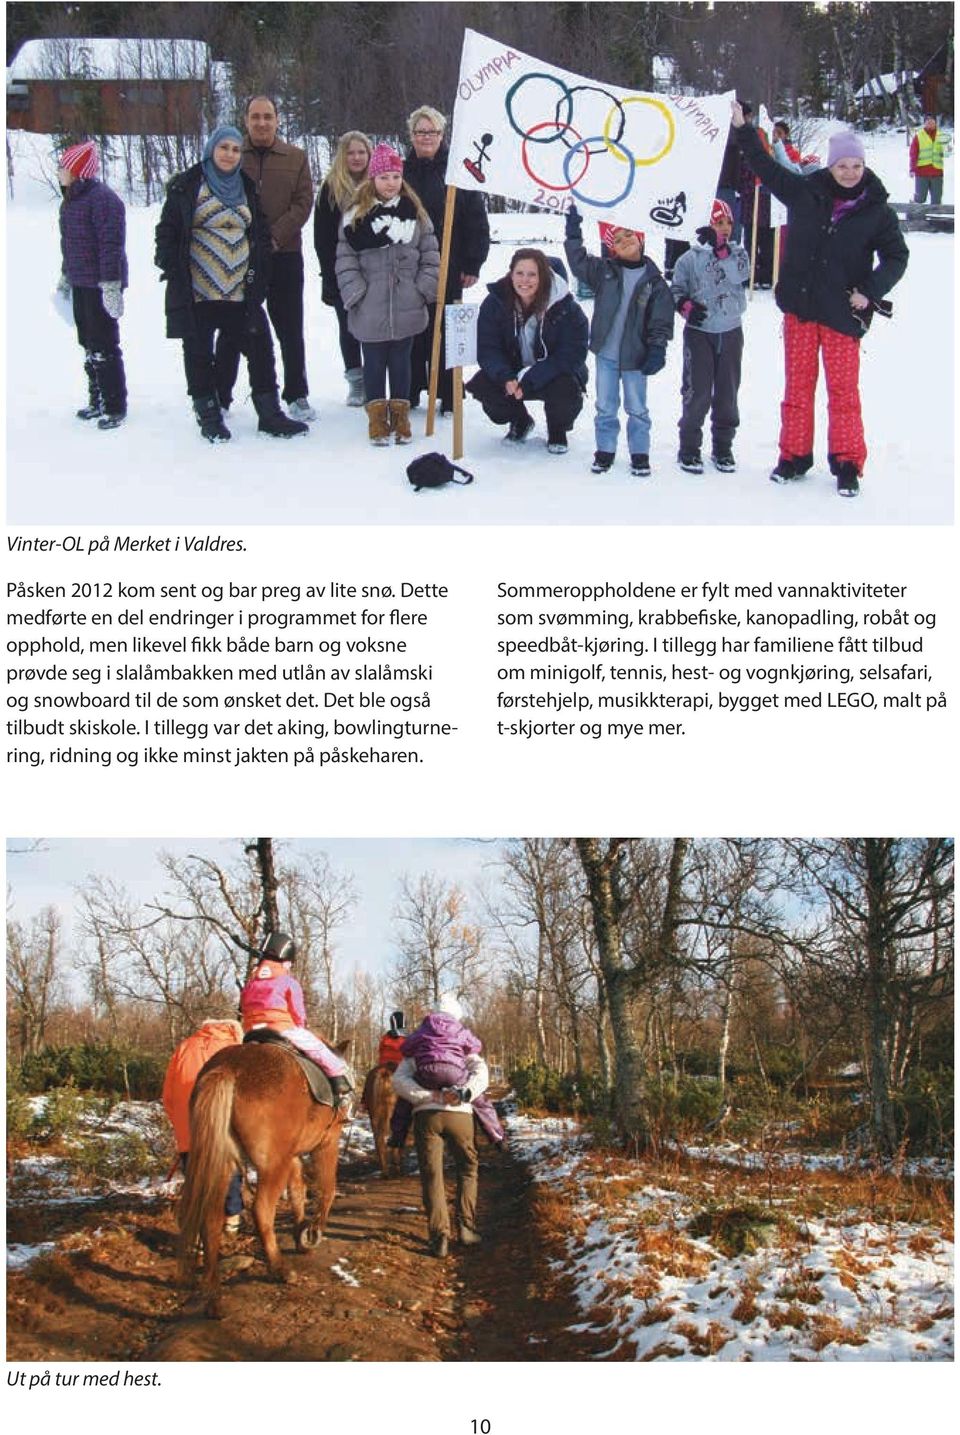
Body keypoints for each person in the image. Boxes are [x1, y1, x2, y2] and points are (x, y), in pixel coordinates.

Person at [733, 103, 909, 497]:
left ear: (863, 167)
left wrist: (871, 291)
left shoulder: (877, 212)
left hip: (843, 314)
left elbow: (897, 257)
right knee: (797, 387)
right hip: (800, 307)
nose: (849, 172)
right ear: (830, 166)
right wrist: (745, 131)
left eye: (855, 165)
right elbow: (766, 167)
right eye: (842, 165)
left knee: (843, 394)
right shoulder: (806, 191)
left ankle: (847, 463)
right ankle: (793, 456)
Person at [154, 125, 308, 443]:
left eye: (236, 149)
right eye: (224, 147)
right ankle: (209, 413)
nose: (230, 154)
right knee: (198, 353)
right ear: (212, 149)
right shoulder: (188, 185)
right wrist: (172, 265)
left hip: (240, 291)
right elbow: (167, 232)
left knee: (261, 348)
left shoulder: (246, 188)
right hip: (198, 291)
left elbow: (260, 235)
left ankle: (269, 413)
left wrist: (259, 274)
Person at [215, 96, 316, 422]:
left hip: (284, 255)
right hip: (239, 257)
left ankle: (297, 394)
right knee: (232, 328)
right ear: (246, 120)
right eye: (255, 116)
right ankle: (221, 395)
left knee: (290, 329)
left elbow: (303, 203)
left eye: (268, 116)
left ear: (277, 119)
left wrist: (273, 236)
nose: (261, 122)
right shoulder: (231, 156)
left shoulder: (295, 157)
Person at [335, 143, 439, 446]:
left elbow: (430, 253)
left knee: (402, 362)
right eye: (384, 177)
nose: (390, 183)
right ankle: (377, 417)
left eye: (395, 176)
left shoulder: (415, 213)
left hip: (407, 301)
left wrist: (423, 289)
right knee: (375, 362)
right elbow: (345, 259)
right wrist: (356, 292)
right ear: (372, 179)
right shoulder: (356, 216)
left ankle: (401, 414)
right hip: (370, 305)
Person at [564, 207, 675, 477]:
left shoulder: (655, 282)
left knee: (637, 407)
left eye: (629, 235)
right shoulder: (604, 272)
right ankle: (605, 450)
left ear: (640, 238)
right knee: (605, 405)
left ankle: (640, 452)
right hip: (606, 354)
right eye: (618, 239)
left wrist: (657, 347)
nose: (625, 240)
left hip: (636, 356)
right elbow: (578, 262)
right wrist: (573, 232)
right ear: (612, 249)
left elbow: (661, 318)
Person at [403, 105, 490, 413]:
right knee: (413, 327)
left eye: (432, 132)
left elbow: (476, 219)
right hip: (409, 265)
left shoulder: (457, 169)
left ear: (442, 134)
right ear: (412, 135)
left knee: (448, 329)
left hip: (449, 262)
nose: (426, 138)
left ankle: (449, 392)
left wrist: (473, 262)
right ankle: (410, 388)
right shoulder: (401, 171)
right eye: (420, 132)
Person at [392, 993, 491, 1258]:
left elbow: (399, 1080)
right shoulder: (464, 1041)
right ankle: (467, 1228)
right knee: (468, 1169)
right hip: (460, 1115)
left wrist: (427, 1096)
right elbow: (482, 1074)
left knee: (432, 1175)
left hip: (427, 1116)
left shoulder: (419, 1043)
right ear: (456, 1017)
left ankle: (439, 1238)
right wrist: (464, 1093)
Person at [466, 249, 588, 454]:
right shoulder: (495, 303)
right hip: (513, 371)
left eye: (532, 274)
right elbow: (488, 348)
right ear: (510, 274)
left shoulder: (567, 308)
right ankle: (520, 421)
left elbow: (572, 354)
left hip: (552, 373)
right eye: (519, 273)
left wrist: (532, 378)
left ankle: (557, 430)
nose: (525, 280)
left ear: (544, 276)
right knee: (482, 384)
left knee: (566, 388)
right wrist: (505, 376)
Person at [670, 198, 750, 474]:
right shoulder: (689, 259)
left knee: (727, 392)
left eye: (728, 222)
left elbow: (741, 275)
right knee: (697, 391)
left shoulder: (738, 253)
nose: (724, 228)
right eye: (718, 222)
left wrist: (722, 251)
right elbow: (677, 290)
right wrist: (685, 307)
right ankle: (689, 447)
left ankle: (723, 446)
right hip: (699, 334)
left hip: (730, 331)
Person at [56, 139, 128, 430]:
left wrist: (111, 284)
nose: (59, 172)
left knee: (105, 345)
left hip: (101, 284)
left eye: (63, 167)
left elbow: (111, 245)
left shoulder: (103, 200)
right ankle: (96, 399)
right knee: (87, 343)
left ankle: (114, 405)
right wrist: (65, 274)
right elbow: (69, 244)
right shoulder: (71, 200)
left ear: (78, 170)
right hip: (80, 282)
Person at [239, 931, 353, 1103]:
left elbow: (243, 1006)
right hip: (281, 1028)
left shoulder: (251, 983)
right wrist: (300, 1026)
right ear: (286, 961)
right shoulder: (288, 982)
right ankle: (338, 1080)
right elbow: (298, 1015)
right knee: (318, 1050)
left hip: (250, 1031)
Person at [161, 1017, 245, 1231]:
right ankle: (232, 1217)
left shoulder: (184, 1047)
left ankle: (199, 1224)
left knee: (195, 1176)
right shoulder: (235, 1049)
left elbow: (168, 1094)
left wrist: (179, 1123)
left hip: (187, 1123)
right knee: (229, 1169)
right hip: (223, 1122)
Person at [388, 1000, 504, 1151]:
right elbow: (475, 1045)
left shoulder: (423, 1029)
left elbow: (407, 1047)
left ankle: (397, 1136)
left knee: (404, 1101)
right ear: (456, 1014)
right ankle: (496, 1136)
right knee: (480, 1100)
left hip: (427, 1073)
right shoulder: (461, 1030)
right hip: (455, 1073)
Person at [314, 131, 373, 406]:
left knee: (374, 327)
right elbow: (322, 239)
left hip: (375, 271)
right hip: (343, 271)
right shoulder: (330, 189)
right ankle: (356, 381)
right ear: (342, 157)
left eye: (361, 152)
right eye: (351, 153)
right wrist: (330, 276)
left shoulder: (381, 184)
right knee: (348, 327)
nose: (357, 157)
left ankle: (375, 380)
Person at [910, 114, 949, 204]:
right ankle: (915, 216)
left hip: (937, 173)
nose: (930, 123)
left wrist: (946, 151)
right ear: (924, 123)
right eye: (928, 122)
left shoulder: (941, 135)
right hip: (921, 173)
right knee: (920, 199)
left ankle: (935, 218)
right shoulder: (919, 136)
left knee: (936, 200)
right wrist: (912, 168)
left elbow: (947, 151)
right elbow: (913, 154)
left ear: (935, 123)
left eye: (932, 121)